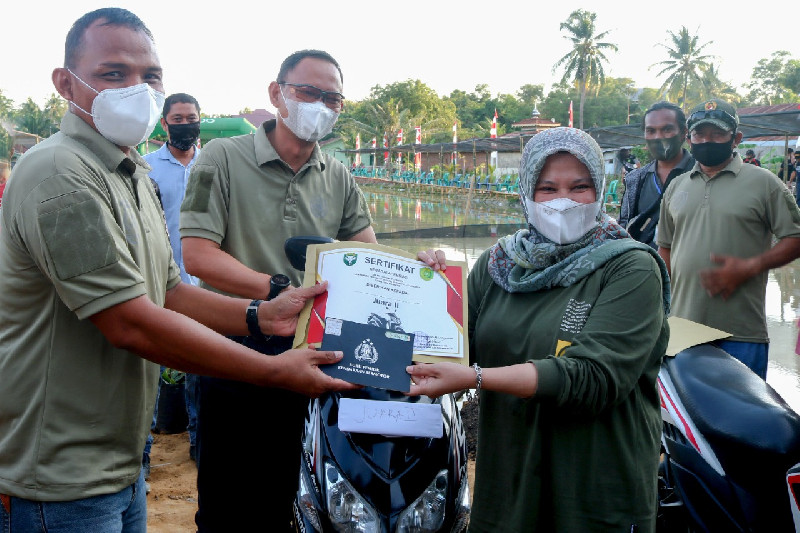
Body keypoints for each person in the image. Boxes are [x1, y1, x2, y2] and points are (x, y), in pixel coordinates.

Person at [0, 9, 356, 532]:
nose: (137, 90)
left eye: (150, 77)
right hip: (59, 471)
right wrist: (271, 369)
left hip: (119, 457)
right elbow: (131, 320)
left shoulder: (130, 172)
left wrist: (263, 316)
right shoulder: (61, 173)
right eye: (113, 74)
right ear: (65, 83)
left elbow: (169, 291)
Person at [409, 127, 670, 532]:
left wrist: (477, 378)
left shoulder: (631, 266)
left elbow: (596, 377)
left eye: (579, 186)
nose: (563, 201)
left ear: (600, 190)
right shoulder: (500, 265)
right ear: (527, 193)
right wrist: (429, 287)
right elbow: (451, 350)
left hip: (593, 486)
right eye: (547, 188)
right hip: (509, 478)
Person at [180, 49, 378, 531]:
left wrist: (423, 270)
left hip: (316, 345)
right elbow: (198, 255)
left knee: (309, 487)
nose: (320, 104)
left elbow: (369, 257)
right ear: (277, 94)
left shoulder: (337, 174)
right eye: (308, 92)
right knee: (235, 494)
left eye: (332, 98)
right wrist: (277, 290)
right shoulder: (221, 158)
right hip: (238, 339)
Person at [658, 99, 800, 379]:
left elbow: (795, 237)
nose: (707, 140)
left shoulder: (765, 183)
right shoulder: (677, 186)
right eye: (699, 134)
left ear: (735, 138)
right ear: (689, 138)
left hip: (741, 333)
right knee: (683, 421)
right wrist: (660, 311)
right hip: (682, 330)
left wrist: (749, 267)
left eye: (717, 134)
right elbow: (665, 249)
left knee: (741, 420)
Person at [142, 92, 203, 474]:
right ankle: (143, 452)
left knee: (202, 366)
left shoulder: (214, 165)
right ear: (164, 124)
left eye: (191, 117)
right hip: (159, 283)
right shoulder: (146, 168)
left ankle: (199, 442)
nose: (185, 124)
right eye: (177, 118)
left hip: (204, 287)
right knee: (148, 365)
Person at [619, 101, 694, 249]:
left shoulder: (702, 173)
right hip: (647, 266)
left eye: (667, 129)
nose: (658, 137)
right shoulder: (635, 179)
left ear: (684, 133)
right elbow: (624, 226)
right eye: (651, 131)